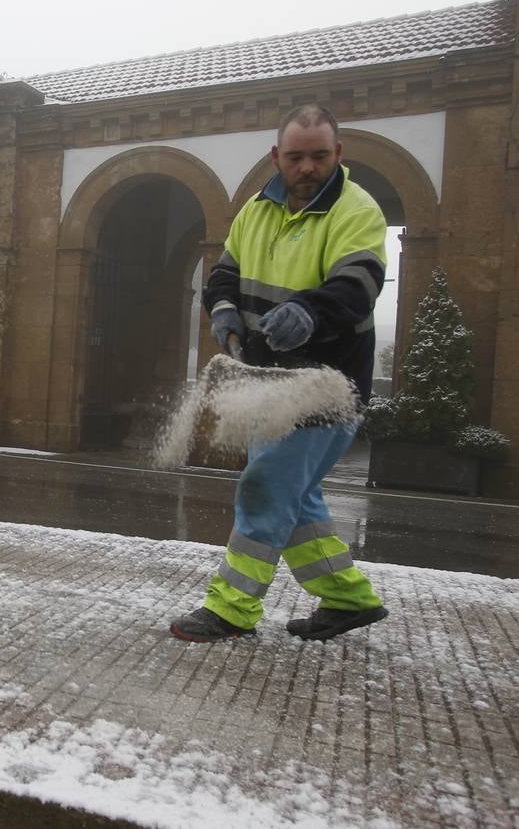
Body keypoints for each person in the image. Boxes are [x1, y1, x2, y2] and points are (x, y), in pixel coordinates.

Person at [170, 104, 389, 643]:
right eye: (296, 157)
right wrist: (222, 312)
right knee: (298, 499)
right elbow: (224, 273)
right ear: (277, 157)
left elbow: (358, 282)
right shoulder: (255, 211)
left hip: (325, 387)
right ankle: (347, 599)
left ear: (337, 154)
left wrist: (310, 311)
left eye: (318, 156)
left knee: (266, 487)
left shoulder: (356, 210)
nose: (307, 167)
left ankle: (232, 608)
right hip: (267, 385)